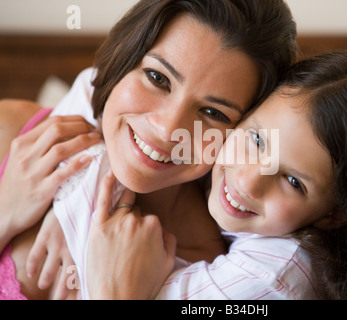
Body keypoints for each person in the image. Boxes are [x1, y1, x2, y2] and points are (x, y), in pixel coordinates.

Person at [0, 0, 298, 300]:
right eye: (158, 78)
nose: (168, 130)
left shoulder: (212, 281)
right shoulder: (12, 133)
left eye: (213, 112)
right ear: (122, 58)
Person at [87, 51, 347, 299]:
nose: (248, 181)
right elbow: (91, 83)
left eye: (293, 182)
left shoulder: (275, 276)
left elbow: (118, 288)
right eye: (256, 139)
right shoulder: (205, 146)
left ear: (335, 216)